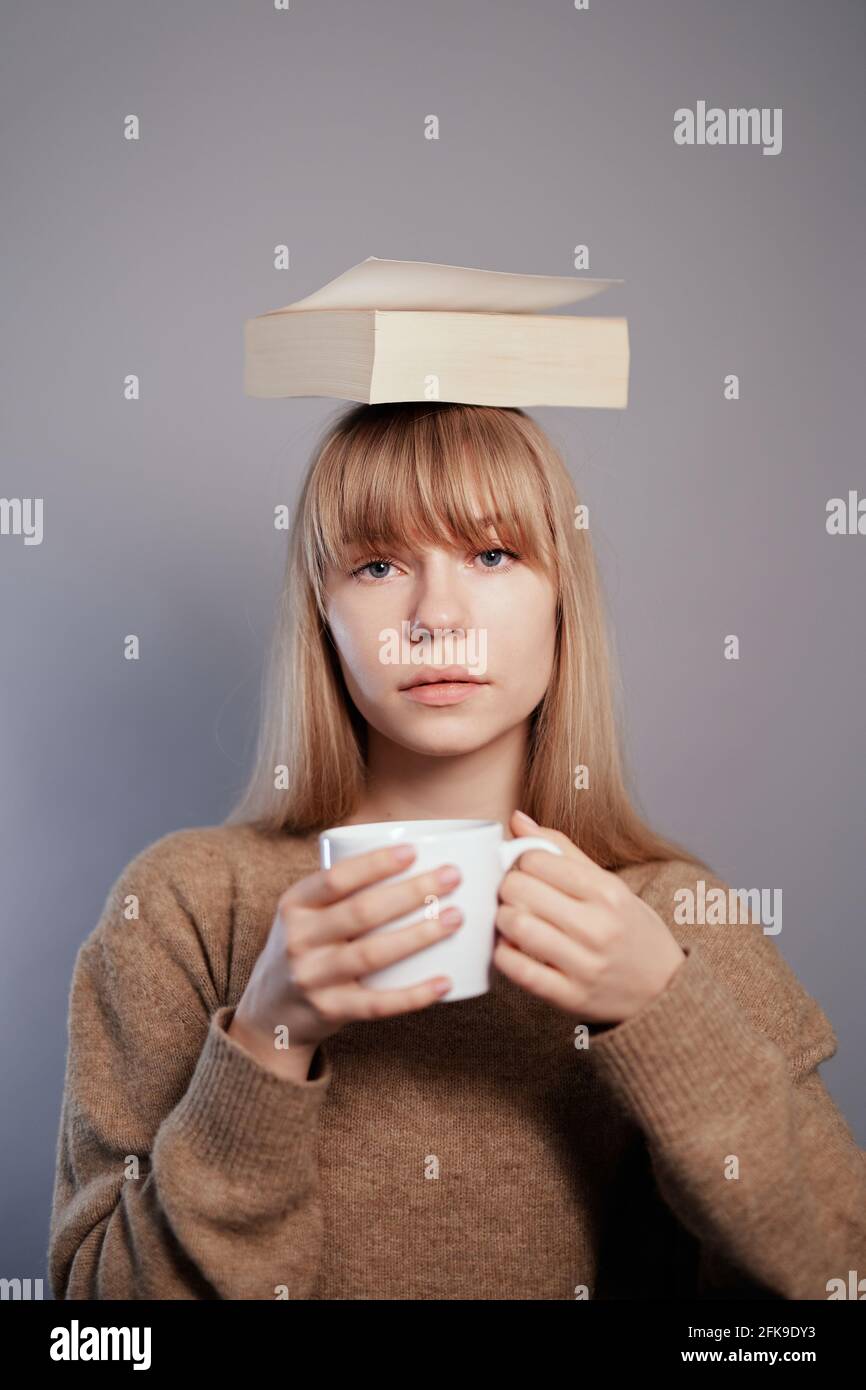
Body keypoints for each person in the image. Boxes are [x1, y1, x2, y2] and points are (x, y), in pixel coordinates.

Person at [49, 402, 866, 1299]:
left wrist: (661, 1011)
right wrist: (266, 1042)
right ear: (324, 610)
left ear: (564, 592)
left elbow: (838, 1278)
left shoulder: (671, 915)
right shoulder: (187, 906)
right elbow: (98, 1337)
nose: (437, 617)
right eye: (377, 564)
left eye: (491, 554)